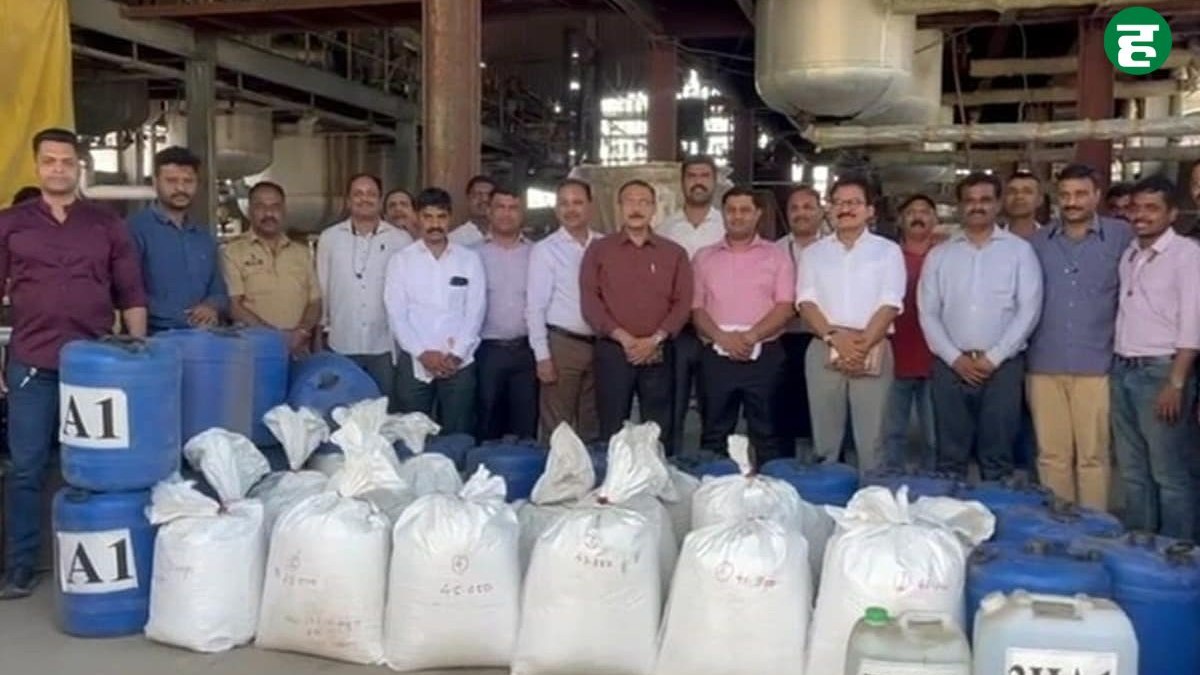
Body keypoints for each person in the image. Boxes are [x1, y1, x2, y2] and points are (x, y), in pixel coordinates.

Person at [0, 128, 148, 599]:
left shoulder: (106, 224)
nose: (59, 168)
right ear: (37, 165)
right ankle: (20, 567)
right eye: (50, 161)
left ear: (79, 165)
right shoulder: (10, 223)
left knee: (97, 467)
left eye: (67, 161)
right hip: (32, 362)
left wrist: (139, 355)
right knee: (25, 467)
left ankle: (90, 557)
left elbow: (131, 292)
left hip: (95, 367)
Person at [918, 172, 1043, 481]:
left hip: (1003, 366)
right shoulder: (940, 255)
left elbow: (1029, 310)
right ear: (960, 207)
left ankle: (996, 509)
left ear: (998, 204)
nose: (977, 206)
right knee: (950, 457)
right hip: (950, 365)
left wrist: (994, 357)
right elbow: (928, 312)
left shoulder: (1019, 252)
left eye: (985, 200)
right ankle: (949, 511)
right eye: (970, 200)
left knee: (997, 455)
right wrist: (955, 359)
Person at [1027, 164, 1132, 510]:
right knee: (1051, 456)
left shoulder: (1122, 237)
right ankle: (1059, 527)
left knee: (1094, 456)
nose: (1072, 202)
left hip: (1097, 363)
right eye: (1066, 195)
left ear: (1097, 196)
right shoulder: (1037, 243)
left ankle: (1094, 528)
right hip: (1044, 362)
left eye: (1081, 194)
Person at [1111, 176, 1200, 539]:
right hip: (1123, 368)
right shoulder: (1130, 253)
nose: (1141, 215)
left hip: (1161, 372)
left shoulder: (1187, 255)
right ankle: (1140, 546)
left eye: (1152, 208)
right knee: (1134, 470)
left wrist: (1175, 383)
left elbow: (1192, 324)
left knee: (1169, 472)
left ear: (1172, 213)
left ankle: (1177, 553)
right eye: (1136, 208)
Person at [797, 175, 905, 471]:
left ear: (870, 210)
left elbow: (890, 302)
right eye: (838, 203)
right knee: (825, 439)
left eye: (854, 203)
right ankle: (825, 494)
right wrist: (835, 339)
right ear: (829, 209)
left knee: (873, 440)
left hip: (872, 346)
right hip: (824, 345)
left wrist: (860, 348)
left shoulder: (887, 251)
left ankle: (872, 496)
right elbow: (806, 302)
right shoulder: (814, 253)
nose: (845, 209)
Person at [581, 179, 691, 448]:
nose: (636, 208)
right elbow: (590, 300)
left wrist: (654, 340)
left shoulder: (673, 253)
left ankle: (659, 473)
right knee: (612, 427)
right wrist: (624, 339)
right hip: (614, 349)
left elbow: (683, 302)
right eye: (630, 201)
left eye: (644, 202)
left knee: (659, 429)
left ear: (654, 209)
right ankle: (615, 474)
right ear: (619, 207)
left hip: (658, 350)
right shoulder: (599, 250)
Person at [692, 186, 795, 462]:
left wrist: (750, 336)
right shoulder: (703, 257)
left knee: (767, 434)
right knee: (714, 433)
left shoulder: (777, 256)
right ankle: (714, 486)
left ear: (757, 214)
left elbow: (785, 306)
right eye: (731, 210)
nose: (738, 216)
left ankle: (769, 487)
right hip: (716, 356)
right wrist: (722, 338)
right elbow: (696, 308)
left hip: (764, 356)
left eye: (745, 210)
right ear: (723, 214)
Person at [385, 187, 486, 435]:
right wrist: (422, 354)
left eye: (441, 217)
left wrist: (457, 354)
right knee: (412, 437)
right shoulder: (401, 261)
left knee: (458, 435)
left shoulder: (468, 260)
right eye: (428, 217)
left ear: (450, 218)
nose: (435, 224)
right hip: (416, 362)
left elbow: (475, 311)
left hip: (459, 362)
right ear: (418, 218)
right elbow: (396, 314)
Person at [316, 173, 412, 399]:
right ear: (348, 200)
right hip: (341, 340)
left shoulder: (400, 240)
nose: (364, 199)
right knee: (341, 407)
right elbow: (322, 285)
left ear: (380, 200)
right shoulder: (329, 238)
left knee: (384, 407)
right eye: (358, 194)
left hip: (385, 344)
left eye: (371, 194)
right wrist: (320, 330)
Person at [656, 156, 725, 455]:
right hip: (679, 328)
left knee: (716, 402)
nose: (698, 181)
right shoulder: (666, 228)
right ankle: (670, 461)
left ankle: (713, 465)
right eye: (692, 175)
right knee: (673, 401)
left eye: (705, 175)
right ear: (682, 182)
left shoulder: (726, 224)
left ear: (714, 181)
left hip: (717, 326)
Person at [526, 179, 602, 443]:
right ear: (556, 209)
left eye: (577, 202)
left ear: (590, 206)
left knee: (594, 424)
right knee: (558, 428)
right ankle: (556, 469)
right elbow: (535, 307)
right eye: (564, 203)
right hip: (562, 346)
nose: (571, 209)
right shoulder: (546, 250)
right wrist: (542, 356)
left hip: (601, 345)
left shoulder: (604, 245)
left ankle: (593, 469)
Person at [128, 146, 228, 333]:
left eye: (188, 181)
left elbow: (219, 292)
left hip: (204, 339)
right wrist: (183, 317)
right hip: (153, 340)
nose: (181, 188)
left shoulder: (204, 237)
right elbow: (128, 292)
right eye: (171, 181)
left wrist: (211, 306)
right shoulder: (134, 230)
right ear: (155, 182)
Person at [221, 181, 321, 356]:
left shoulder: (302, 253)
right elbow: (234, 306)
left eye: (275, 206)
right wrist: (276, 338)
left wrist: (302, 332)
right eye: (261, 206)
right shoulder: (233, 252)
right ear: (249, 211)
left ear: (284, 211)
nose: (269, 213)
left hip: (298, 349)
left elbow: (315, 302)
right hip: (253, 352)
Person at [881, 194, 938, 471]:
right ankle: (889, 485)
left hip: (936, 357)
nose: (918, 217)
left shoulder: (946, 256)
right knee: (890, 433)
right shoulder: (885, 257)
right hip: (894, 354)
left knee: (935, 435)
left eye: (925, 211)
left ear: (935, 219)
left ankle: (934, 487)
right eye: (911, 212)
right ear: (900, 221)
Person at [476, 187, 537, 441]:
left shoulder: (536, 253)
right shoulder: (471, 254)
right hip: (486, 350)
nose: (506, 213)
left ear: (522, 214)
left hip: (526, 350)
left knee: (526, 422)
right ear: (489, 211)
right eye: (500, 207)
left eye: (513, 208)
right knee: (486, 419)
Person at [774, 185, 824, 457]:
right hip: (784, 338)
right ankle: (783, 465)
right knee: (784, 406)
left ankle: (827, 463)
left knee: (823, 408)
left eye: (807, 207)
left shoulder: (833, 249)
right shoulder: (774, 251)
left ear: (820, 211)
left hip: (823, 338)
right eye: (794, 208)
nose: (800, 213)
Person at [449, 175, 495, 247]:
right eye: (478, 194)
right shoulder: (454, 240)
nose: (484, 199)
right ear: (468, 198)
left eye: (489, 195)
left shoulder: (507, 237)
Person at [1002, 171, 1045, 240]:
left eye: (1027, 191)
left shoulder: (1052, 241)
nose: (1019, 196)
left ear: (1040, 199)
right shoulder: (989, 241)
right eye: (1012, 191)